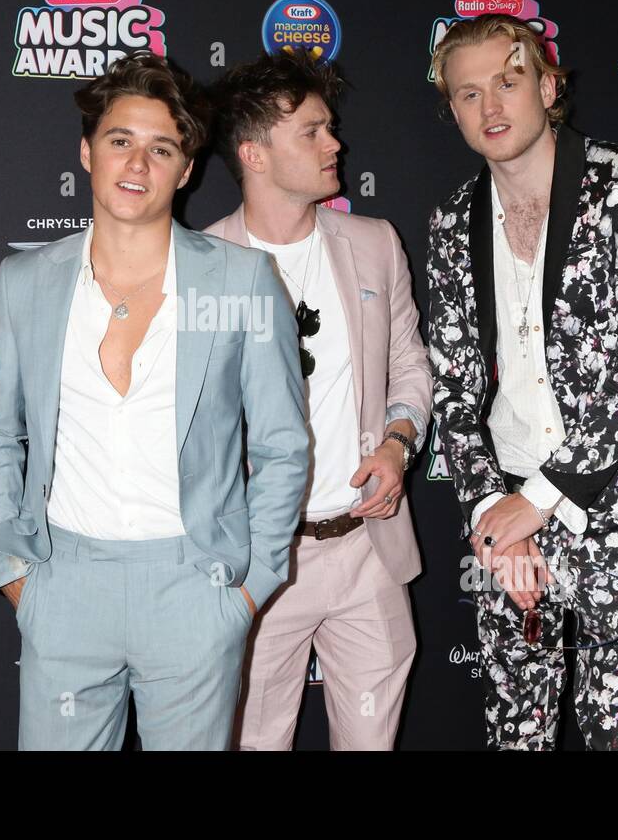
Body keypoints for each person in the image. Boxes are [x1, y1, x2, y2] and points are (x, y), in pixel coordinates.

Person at [0, 52, 309, 750]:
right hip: (62, 586)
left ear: (186, 170)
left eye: (162, 148)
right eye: (120, 140)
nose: (137, 164)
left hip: (194, 587)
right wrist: (15, 578)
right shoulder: (27, 281)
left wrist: (246, 593)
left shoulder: (242, 282)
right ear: (87, 151)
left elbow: (282, 444)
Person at [425, 13, 618, 750]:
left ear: (548, 86)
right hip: (508, 505)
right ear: (451, 111)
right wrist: (496, 507)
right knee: (514, 722)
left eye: (508, 81)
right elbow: (454, 387)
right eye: (467, 94)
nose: (490, 107)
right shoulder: (452, 218)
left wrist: (538, 501)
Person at [206, 49, 431, 750]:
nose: (335, 143)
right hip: (253, 567)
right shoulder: (198, 267)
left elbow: (409, 367)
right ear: (256, 153)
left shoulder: (375, 244)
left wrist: (398, 444)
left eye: (330, 126)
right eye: (311, 131)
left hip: (368, 552)